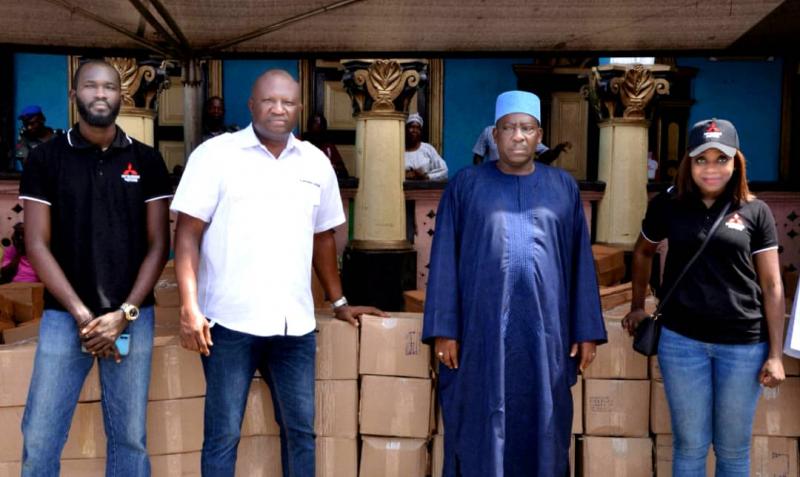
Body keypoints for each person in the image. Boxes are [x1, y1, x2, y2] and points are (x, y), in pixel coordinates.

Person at [171, 69, 384, 476]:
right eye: (269, 101)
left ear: (299, 108)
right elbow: (187, 234)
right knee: (222, 435)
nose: (278, 109)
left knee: (301, 431)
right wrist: (189, 307)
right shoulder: (215, 156)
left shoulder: (316, 163)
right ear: (251, 105)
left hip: (295, 327)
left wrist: (338, 301)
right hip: (229, 323)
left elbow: (324, 239)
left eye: (288, 102)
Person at [422, 91, 607, 476]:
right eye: (508, 128)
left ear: (539, 135)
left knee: (544, 422)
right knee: (480, 423)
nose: (517, 136)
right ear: (495, 135)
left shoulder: (563, 187)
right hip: (480, 334)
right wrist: (444, 330)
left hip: (547, 334)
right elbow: (443, 262)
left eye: (526, 128)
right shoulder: (466, 185)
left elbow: (580, 264)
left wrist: (586, 330)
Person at [18, 59, 172, 476]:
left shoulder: (147, 161)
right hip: (65, 319)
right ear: (73, 96)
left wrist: (123, 315)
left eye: (108, 87)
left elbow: (160, 245)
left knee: (129, 438)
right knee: (40, 435)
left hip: (131, 320)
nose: (100, 94)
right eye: (90, 86)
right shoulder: (46, 159)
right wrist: (85, 317)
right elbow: (35, 243)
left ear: (120, 96)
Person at [622, 118, 785, 476]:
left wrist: (774, 355)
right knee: (691, 447)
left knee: (732, 450)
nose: (711, 169)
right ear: (688, 163)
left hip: (743, 346)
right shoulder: (668, 204)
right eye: (701, 160)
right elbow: (643, 252)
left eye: (721, 159)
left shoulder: (755, 211)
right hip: (683, 343)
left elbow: (772, 286)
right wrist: (637, 306)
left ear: (736, 162)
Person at [472, 123, 551, 165]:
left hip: (521, 178)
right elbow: (478, 155)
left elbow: (545, 153)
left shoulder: (527, 134)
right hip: (493, 178)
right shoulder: (489, 131)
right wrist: (479, 175)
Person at [14, 105, 64, 170]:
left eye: (32, 123)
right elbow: (28, 166)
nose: (29, 127)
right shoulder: (23, 140)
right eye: (26, 124)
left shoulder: (60, 135)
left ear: (42, 120)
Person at [304, 113, 349, 179]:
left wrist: (332, 168)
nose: (318, 137)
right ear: (309, 128)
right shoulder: (301, 143)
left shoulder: (329, 146)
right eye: (315, 133)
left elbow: (343, 172)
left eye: (321, 131)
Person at [404, 113, 448, 181]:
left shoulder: (428, 149)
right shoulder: (399, 150)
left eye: (417, 128)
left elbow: (444, 171)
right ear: (406, 129)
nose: (414, 131)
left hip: (425, 189)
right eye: (411, 127)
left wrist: (426, 177)